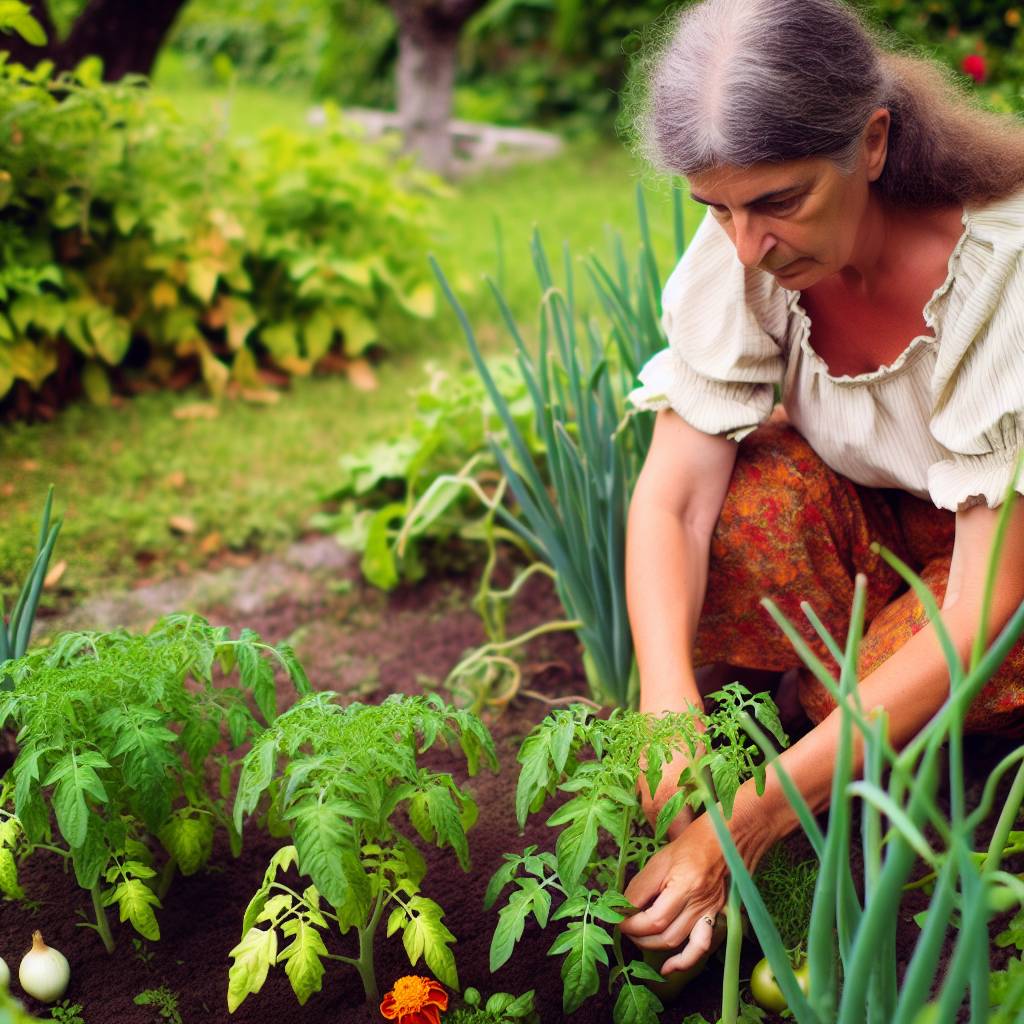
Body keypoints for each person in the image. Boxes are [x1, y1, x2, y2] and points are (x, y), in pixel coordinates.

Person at [617, 0, 1024, 978]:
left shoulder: (1002, 272)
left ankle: (858, 749)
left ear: (872, 142)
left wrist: (754, 815)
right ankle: (827, 725)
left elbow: (981, 606)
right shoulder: (747, 248)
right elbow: (672, 498)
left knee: (956, 667)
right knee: (745, 498)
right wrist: (664, 707)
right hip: (884, 517)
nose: (745, 243)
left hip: (1000, 556)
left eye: (779, 201)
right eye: (715, 207)